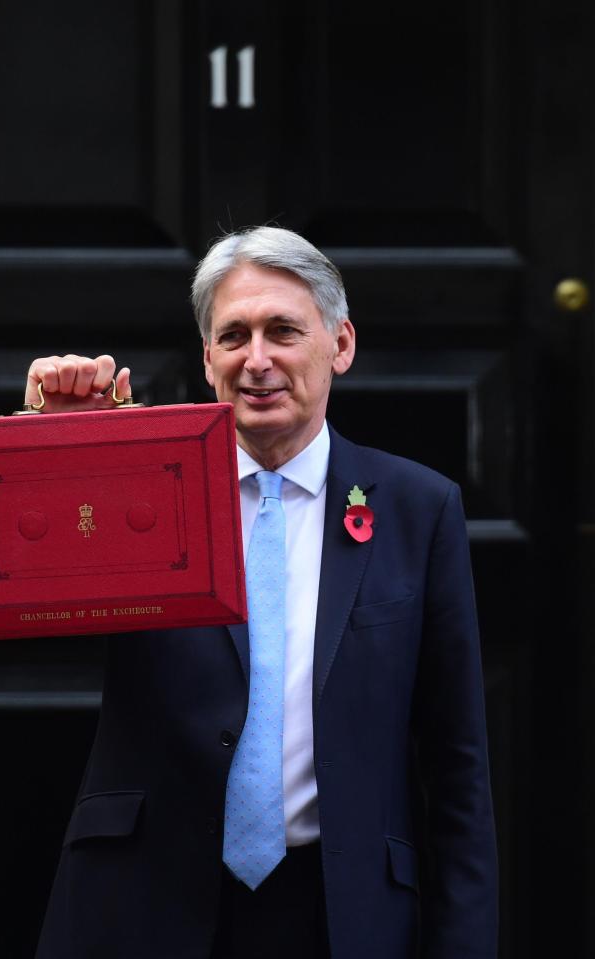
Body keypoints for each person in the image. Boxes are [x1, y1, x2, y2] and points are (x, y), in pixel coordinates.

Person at [31, 227, 498, 959]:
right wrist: (58, 454)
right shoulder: (143, 491)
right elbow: (19, 615)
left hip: (338, 911)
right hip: (147, 905)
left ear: (338, 344)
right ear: (207, 359)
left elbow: (456, 760)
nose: (257, 360)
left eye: (282, 330)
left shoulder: (416, 507)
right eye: (233, 335)